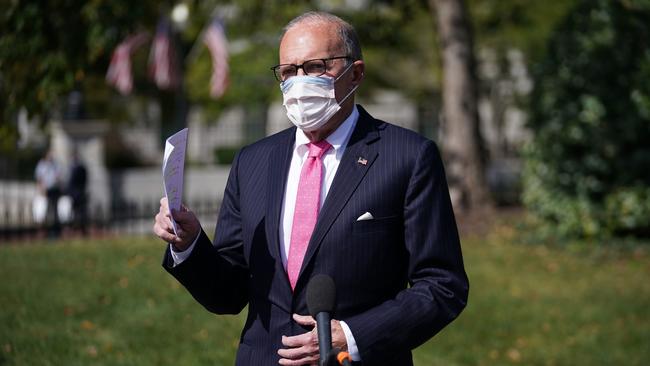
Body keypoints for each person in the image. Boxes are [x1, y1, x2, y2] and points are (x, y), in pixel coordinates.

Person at [154, 11, 468, 365]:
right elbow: (228, 294)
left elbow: (442, 286)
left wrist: (351, 336)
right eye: (288, 71)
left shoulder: (408, 157)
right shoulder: (253, 162)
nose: (300, 82)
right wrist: (190, 244)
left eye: (316, 67)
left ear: (356, 74)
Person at [35, 149, 62, 238]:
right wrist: (41, 189)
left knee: (54, 211)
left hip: (54, 190)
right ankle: (44, 231)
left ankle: (55, 231)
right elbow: (39, 178)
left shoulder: (55, 165)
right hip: (45, 190)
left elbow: (58, 177)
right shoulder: (41, 165)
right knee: (44, 211)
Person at [67, 149, 88, 235]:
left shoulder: (76, 169)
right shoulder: (82, 168)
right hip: (80, 192)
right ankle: (80, 229)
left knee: (77, 212)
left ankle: (78, 228)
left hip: (76, 193)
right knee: (79, 212)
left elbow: (72, 182)